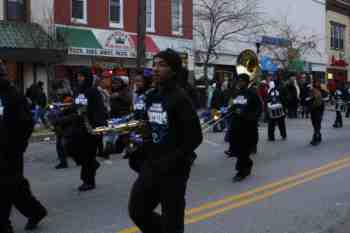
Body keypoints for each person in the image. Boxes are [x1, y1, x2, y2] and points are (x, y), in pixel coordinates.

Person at [128, 49, 203, 233]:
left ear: (174, 70)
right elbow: (149, 127)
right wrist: (141, 139)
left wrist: (171, 160)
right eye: (155, 64)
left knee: (173, 221)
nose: (155, 69)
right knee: (137, 210)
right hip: (151, 165)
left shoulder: (180, 98)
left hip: (174, 171)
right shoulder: (152, 96)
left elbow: (195, 138)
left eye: (162, 65)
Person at [0, 60, 47, 233]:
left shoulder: (13, 95)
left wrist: (16, 148)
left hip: (9, 152)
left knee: (5, 189)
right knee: (15, 187)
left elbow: (26, 124)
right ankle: (36, 212)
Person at [60, 68, 108, 191]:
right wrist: (63, 112)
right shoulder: (78, 91)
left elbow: (99, 110)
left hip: (90, 127)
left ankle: (88, 181)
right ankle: (93, 164)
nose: (79, 78)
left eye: (82, 76)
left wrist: (98, 128)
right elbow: (76, 106)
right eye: (78, 76)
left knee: (88, 154)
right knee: (70, 147)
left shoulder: (93, 92)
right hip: (78, 126)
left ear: (87, 77)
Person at [228, 73, 262, 182]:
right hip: (236, 126)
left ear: (246, 82)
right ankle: (247, 164)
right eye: (239, 80)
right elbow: (232, 106)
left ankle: (241, 172)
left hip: (247, 128)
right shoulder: (236, 93)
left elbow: (259, 109)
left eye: (242, 81)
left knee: (243, 150)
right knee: (237, 149)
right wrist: (228, 109)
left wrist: (248, 116)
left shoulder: (252, 94)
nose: (240, 82)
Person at [305, 78, 328, 146]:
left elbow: (327, 97)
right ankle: (319, 135)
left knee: (317, 123)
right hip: (313, 109)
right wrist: (309, 99)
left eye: (318, 82)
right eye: (315, 82)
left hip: (319, 109)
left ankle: (315, 138)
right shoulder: (311, 89)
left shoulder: (322, 89)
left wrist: (322, 99)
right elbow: (307, 97)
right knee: (314, 123)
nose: (316, 83)